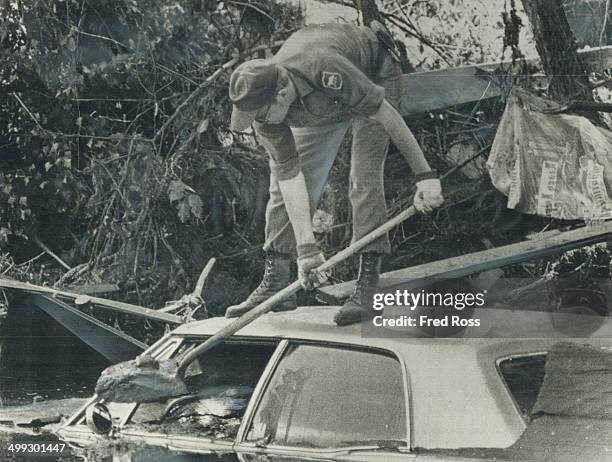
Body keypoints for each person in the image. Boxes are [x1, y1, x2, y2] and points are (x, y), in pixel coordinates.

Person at [225, 22, 444, 325]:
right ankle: (277, 280)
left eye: (260, 115)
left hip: (372, 74)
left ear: (283, 92)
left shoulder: (323, 67)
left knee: (363, 179)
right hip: (320, 103)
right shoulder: (264, 112)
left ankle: (368, 286)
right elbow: (290, 178)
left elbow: (388, 116)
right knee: (281, 185)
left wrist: (426, 176)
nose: (258, 123)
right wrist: (306, 250)